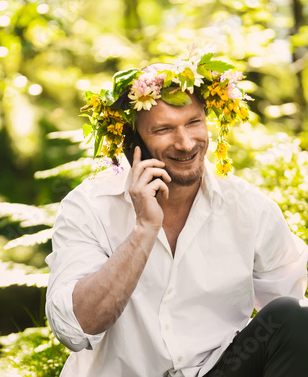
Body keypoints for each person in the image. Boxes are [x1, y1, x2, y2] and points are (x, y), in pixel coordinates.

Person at [45, 50, 308, 377]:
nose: (185, 143)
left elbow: (290, 323)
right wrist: (144, 229)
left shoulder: (249, 208)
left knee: (294, 315)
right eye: (164, 130)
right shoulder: (88, 206)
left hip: (216, 371)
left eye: (194, 123)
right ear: (133, 143)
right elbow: (75, 329)